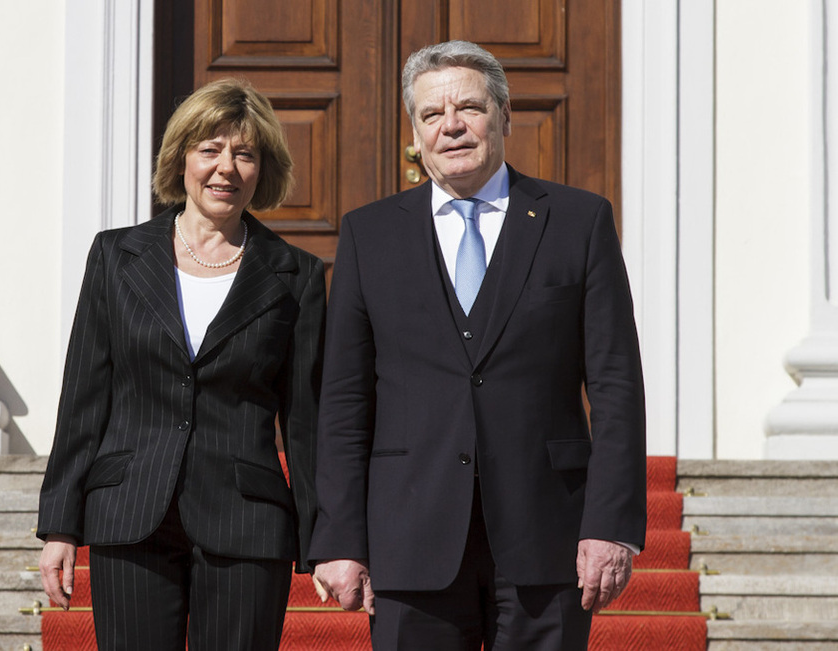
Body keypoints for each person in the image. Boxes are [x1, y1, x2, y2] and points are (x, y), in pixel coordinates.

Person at [308, 41, 646, 650]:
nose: (452, 126)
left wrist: (612, 525)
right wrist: (339, 538)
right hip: (410, 535)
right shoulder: (369, 233)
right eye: (432, 115)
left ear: (505, 115)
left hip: (549, 537)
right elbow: (343, 399)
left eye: (469, 107)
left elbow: (616, 385)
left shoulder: (579, 221)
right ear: (415, 132)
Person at [36, 78, 325, 650]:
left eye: (245, 153)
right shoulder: (116, 256)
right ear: (182, 159)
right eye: (210, 149)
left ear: (262, 169)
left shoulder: (297, 275)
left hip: (246, 521)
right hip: (131, 510)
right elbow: (84, 396)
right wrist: (60, 525)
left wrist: (326, 539)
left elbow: (307, 421)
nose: (227, 168)